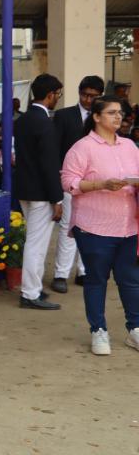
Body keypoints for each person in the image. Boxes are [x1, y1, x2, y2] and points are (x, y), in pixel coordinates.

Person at [61, 95, 139, 355]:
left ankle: (135, 329)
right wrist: (101, 184)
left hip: (129, 226)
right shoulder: (82, 148)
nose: (118, 117)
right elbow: (68, 182)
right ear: (96, 117)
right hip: (94, 227)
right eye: (111, 112)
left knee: (130, 280)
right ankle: (98, 330)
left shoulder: (129, 146)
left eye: (120, 113)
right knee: (96, 279)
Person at [14, 74, 64, 310]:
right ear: (50, 94)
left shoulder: (22, 120)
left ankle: (32, 288)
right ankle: (30, 293)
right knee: (37, 245)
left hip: (25, 188)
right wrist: (57, 198)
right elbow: (48, 164)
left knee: (34, 243)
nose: (58, 98)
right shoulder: (44, 122)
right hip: (42, 192)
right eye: (58, 94)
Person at [52, 75, 103, 291]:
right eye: (85, 95)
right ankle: (61, 274)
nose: (88, 100)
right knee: (68, 226)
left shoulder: (103, 117)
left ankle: (84, 271)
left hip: (97, 181)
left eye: (93, 96)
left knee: (91, 227)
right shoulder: (64, 115)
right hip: (70, 179)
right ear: (79, 93)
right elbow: (55, 148)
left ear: (100, 96)